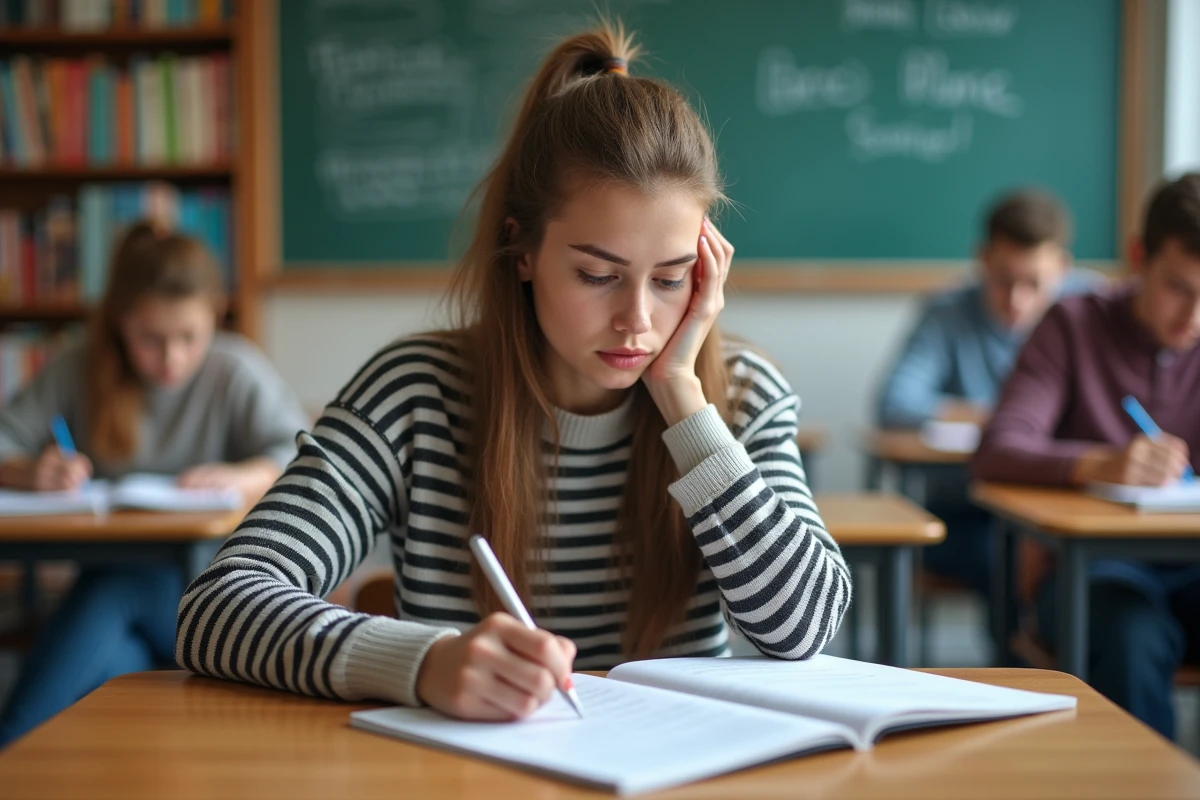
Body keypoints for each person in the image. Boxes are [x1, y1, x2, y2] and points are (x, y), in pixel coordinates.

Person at [175, 24, 851, 722]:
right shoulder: (417, 394)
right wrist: (423, 662)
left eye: (673, 279)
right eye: (597, 275)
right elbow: (217, 607)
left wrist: (684, 399)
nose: (637, 321)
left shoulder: (739, 395)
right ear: (521, 249)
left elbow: (801, 631)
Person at [0, 222, 309, 746]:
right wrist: (33, 471)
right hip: (142, 610)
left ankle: (10, 748)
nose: (172, 359)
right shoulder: (80, 367)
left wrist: (245, 473)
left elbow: (303, 456)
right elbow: (6, 440)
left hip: (225, 595)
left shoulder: (235, 370)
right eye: (151, 339)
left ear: (215, 314)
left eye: (189, 337)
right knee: (121, 664)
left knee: (115, 590)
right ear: (121, 322)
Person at [973, 173, 1200, 740]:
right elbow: (999, 449)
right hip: (1094, 573)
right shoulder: (1074, 324)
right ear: (1138, 257)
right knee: (1131, 636)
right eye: (1178, 287)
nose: (1194, 316)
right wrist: (1097, 464)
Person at [876, 190, 1098, 603]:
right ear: (981, 259)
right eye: (1003, 279)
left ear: (1063, 269)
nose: (1017, 301)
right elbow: (895, 404)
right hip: (970, 509)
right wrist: (1010, 420)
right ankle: (1015, 665)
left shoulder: (1093, 310)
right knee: (1007, 559)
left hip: (1069, 503)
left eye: (1034, 283)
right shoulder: (946, 312)